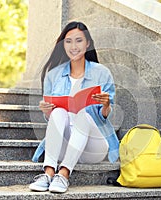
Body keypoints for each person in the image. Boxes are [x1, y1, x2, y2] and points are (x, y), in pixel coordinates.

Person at [29, 21, 119, 193]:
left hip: (94, 146)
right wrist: (48, 112)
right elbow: (53, 120)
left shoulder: (102, 72)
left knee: (84, 115)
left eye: (79, 40)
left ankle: (63, 174)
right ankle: (48, 173)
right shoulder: (54, 75)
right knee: (59, 112)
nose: (73, 46)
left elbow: (106, 115)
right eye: (68, 41)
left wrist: (106, 105)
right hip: (65, 145)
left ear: (88, 43)